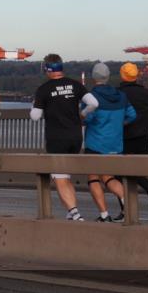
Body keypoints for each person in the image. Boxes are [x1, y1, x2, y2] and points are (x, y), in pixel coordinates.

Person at [30, 54, 99, 221]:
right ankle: (70, 212)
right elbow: (94, 103)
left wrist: (35, 104)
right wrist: (82, 114)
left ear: (47, 69)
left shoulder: (44, 89)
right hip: (76, 137)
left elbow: (35, 116)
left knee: (59, 178)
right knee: (66, 176)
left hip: (56, 138)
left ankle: (75, 213)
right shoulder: (75, 85)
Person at [81, 63, 137, 222]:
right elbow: (132, 115)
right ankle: (128, 204)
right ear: (108, 76)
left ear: (94, 77)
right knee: (108, 178)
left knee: (93, 178)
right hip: (115, 145)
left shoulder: (91, 97)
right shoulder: (121, 96)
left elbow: (87, 119)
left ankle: (104, 215)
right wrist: (120, 124)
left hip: (95, 144)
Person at [117, 63, 148, 217]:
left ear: (122, 75)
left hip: (123, 138)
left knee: (118, 173)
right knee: (136, 170)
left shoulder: (117, 94)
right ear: (136, 75)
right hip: (143, 139)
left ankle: (126, 210)